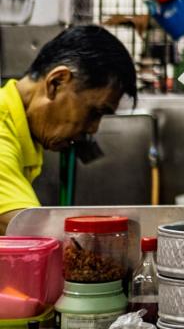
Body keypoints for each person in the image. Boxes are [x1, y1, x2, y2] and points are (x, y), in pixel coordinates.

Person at [0, 25, 136, 234]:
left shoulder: (19, 131)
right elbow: (30, 232)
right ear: (56, 82)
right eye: (94, 112)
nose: (93, 128)